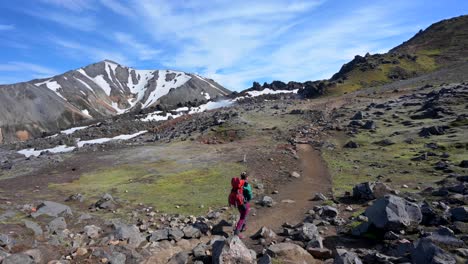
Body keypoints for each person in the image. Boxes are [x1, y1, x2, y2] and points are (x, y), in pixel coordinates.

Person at [234, 171, 253, 237]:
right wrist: (249, 199)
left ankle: (243, 227)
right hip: (245, 203)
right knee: (242, 217)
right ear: (247, 177)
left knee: (243, 214)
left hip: (238, 202)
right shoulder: (247, 185)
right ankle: (237, 232)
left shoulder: (238, 184)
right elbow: (250, 195)